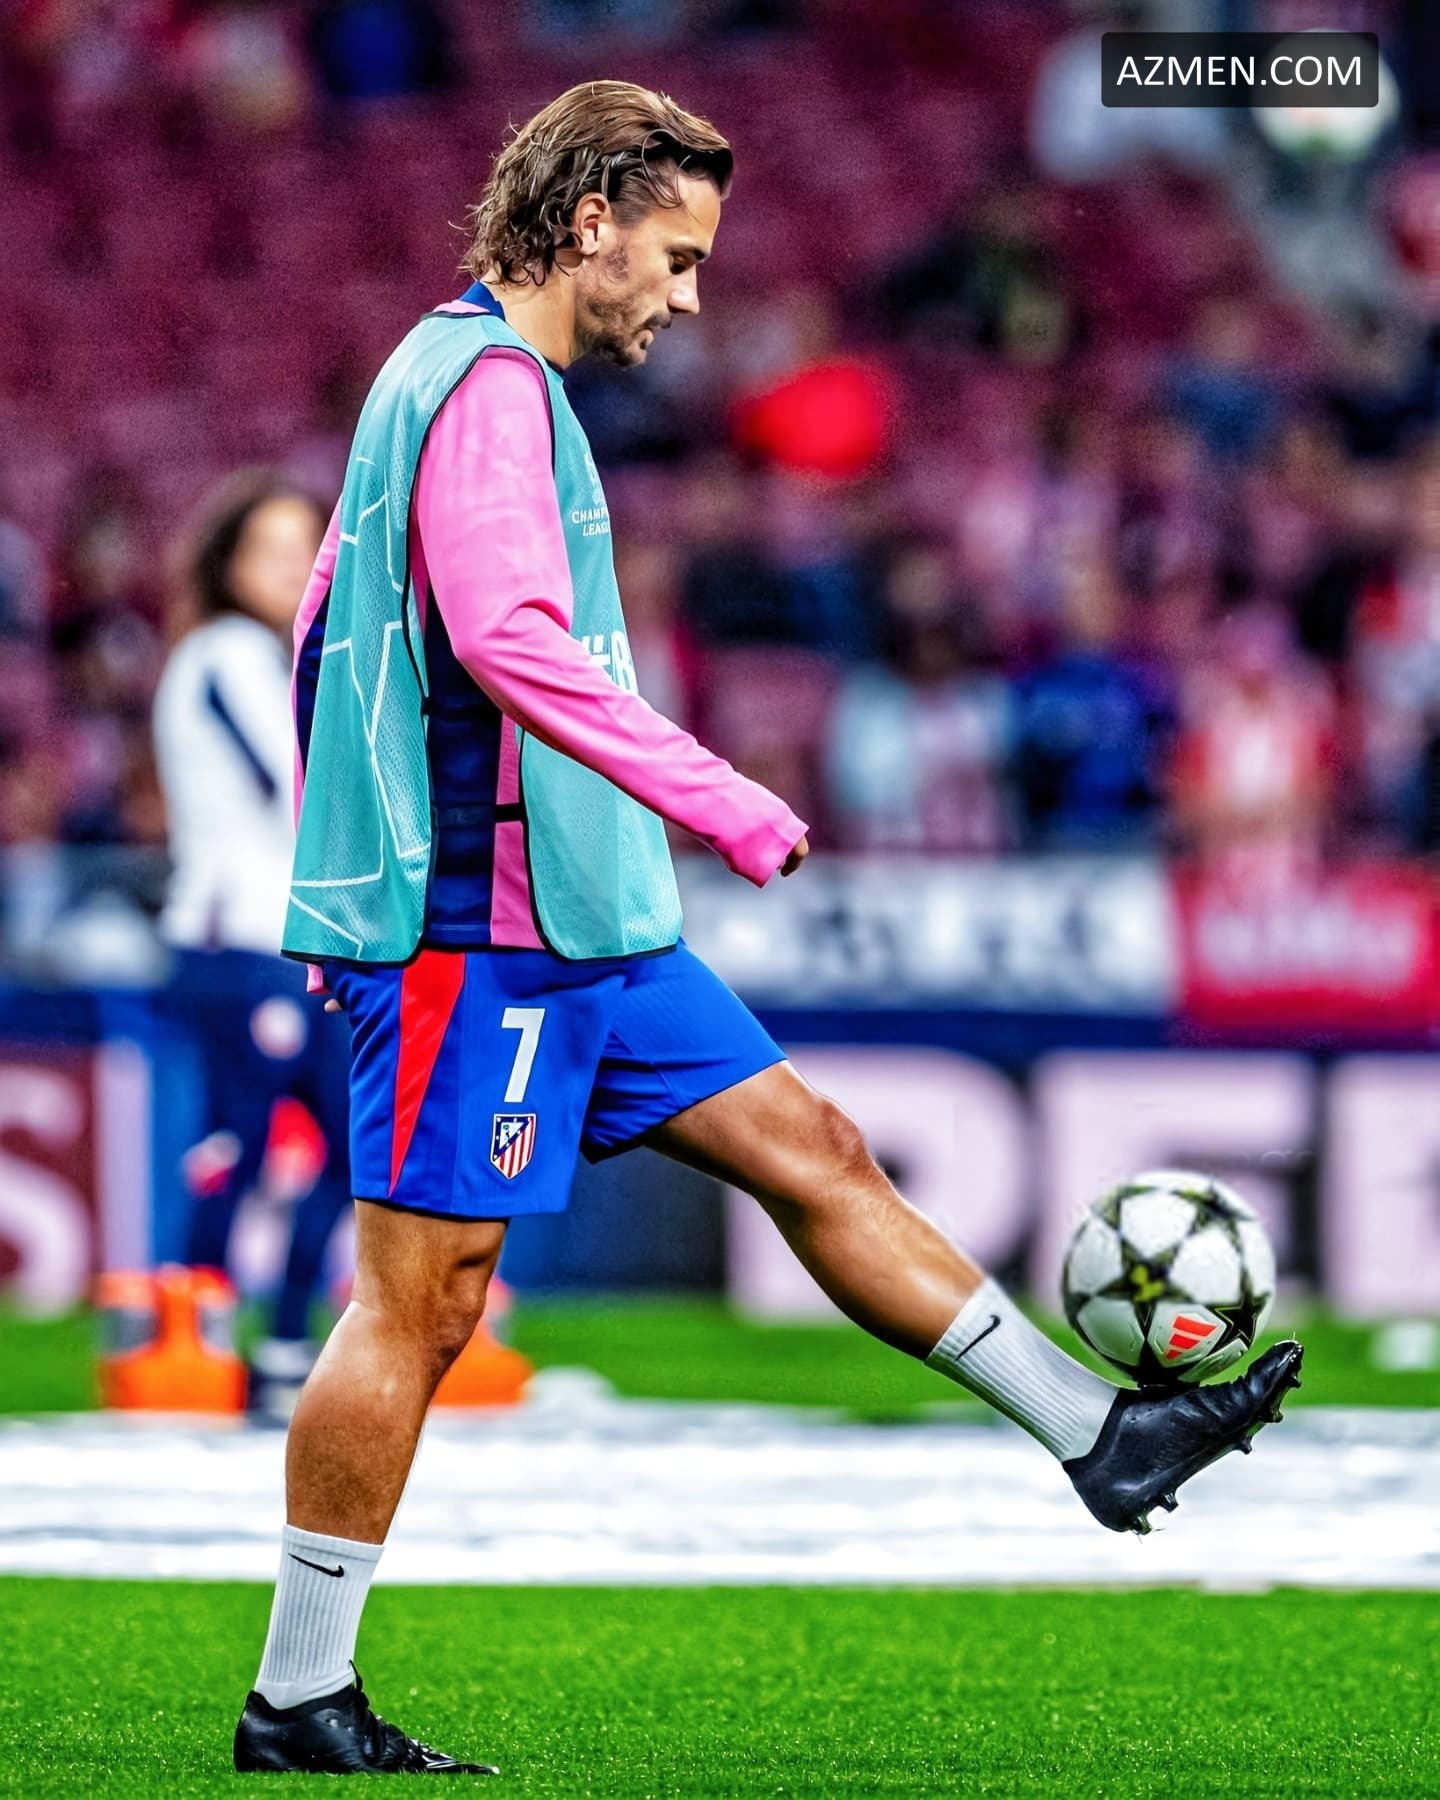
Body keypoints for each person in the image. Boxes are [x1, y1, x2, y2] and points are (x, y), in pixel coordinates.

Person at [234, 83, 1303, 1778]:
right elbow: (503, 638)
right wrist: (715, 794)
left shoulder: (442, 374)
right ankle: (299, 1696)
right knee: (419, 1307)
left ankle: (1106, 1438)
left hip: (577, 914)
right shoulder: (490, 388)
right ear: (589, 220)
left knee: (816, 1149)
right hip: (478, 928)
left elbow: (323, 627)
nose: (689, 295)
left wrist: (335, 858)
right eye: (676, 256)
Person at [153, 471, 354, 1401]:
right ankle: (208, 1343)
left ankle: (264, 1344)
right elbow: (295, 785)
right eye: (269, 550)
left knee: (332, 1146)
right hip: (237, 940)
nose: (289, 568)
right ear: (227, 562)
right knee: (242, 1144)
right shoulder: (227, 652)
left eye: (302, 549)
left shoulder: (258, 660)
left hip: (282, 944)